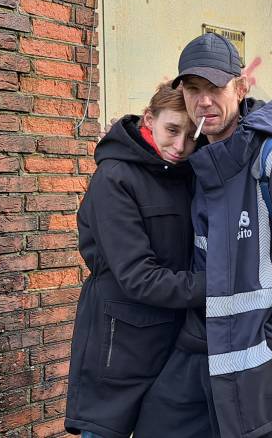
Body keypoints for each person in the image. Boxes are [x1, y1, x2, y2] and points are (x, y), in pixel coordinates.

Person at [136, 33, 272, 438]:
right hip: (200, 352)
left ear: (241, 86)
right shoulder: (201, 159)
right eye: (193, 90)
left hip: (256, 364)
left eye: (215, 88)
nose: (204, 101)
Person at [65, 83, 206, 438]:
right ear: (149, 119)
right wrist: (222, 286)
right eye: (172, 130)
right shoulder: (114, 177)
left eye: (191, 135)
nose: (181, 146)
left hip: (174, 341)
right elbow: (138, 276)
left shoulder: (187, 174)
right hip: (120, 344)